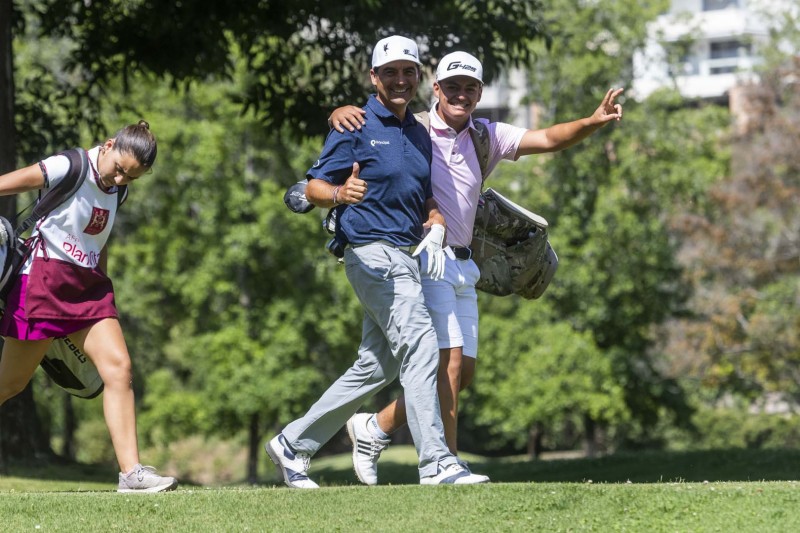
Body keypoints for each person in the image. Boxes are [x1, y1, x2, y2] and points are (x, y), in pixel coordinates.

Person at [329, 51, 624, 484]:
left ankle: (376, 427)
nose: (460, 94)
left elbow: (547, 138)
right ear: (436, 89)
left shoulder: (487, 136)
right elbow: (372, 123)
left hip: (466, 267)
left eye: (470, 88)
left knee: (462, 373)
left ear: (480, 93)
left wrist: (593, 122)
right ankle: (444, 465)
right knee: (446, 366)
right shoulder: (415, 128)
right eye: (452, 86)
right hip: (426, 258)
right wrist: (339, 111)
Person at [265, 36, 489, 488]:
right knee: (422, 344)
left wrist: (435, 217)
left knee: (376, 366)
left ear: (419, 77)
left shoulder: (418, 132)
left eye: (408, 72)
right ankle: (436, 463)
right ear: (374, 77)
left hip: (407, 257)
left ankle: (292, 443)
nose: (400, 80)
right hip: (371, 253)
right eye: (390, 73)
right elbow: (312, 186)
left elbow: (422, 193)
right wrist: (337, 194)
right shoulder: (354, 124)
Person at [0, 120, 178, 493]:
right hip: (43, 284)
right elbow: (6, 183)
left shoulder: (118, 189)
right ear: (109, 145)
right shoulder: (71, 165)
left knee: (119, 369)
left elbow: (100, 236)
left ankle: (131, 474)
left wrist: (103, 285)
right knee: (9, 384)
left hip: (89, 289)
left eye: (131, 177)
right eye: (119, 169)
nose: (120, 180)